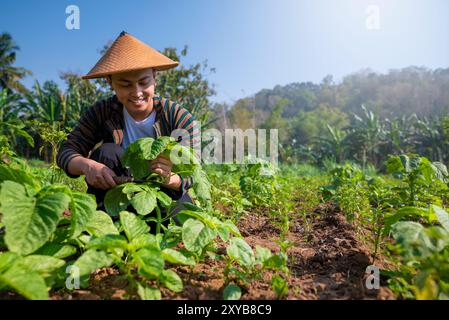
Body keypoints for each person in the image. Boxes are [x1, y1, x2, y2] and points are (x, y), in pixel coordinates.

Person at [56, 31, 199, 223]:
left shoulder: (177, 116)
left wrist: (171, 177)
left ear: (155, 78)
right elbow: (67, 151)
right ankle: (108, 220)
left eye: (143, 82)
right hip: (118, 192)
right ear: (110, 82)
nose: (137, 92)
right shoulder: (102, 112)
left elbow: (195, 170)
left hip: (163, 193)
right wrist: (87, 165)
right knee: (106, 152)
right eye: (125, 84)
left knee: (188, 225)